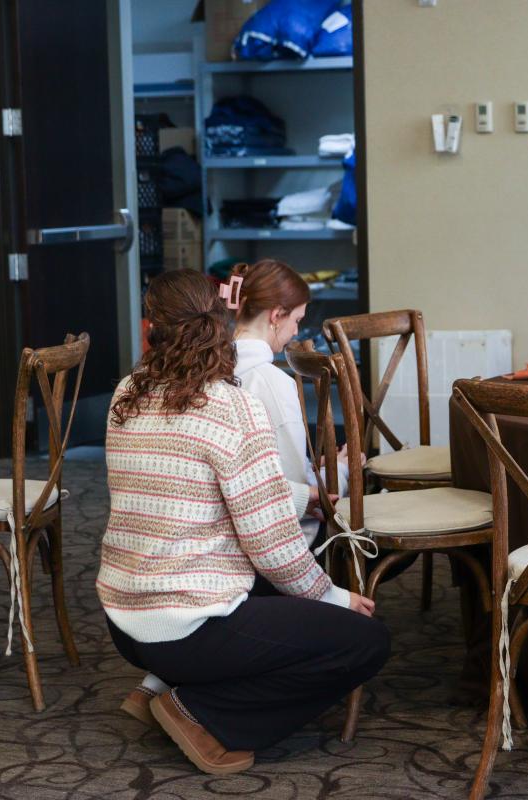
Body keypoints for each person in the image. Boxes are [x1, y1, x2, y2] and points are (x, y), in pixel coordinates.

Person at [97, 269, 388, 775]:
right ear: (220, 322)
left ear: (152, 327)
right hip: (189, 630)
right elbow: (274, 547)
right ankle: (204, 714)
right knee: (366, 641)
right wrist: (336, 598)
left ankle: (158, 689)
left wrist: (295, 505)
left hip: (123, 620)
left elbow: (179, 494)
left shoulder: (126, 394)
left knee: (273, 588)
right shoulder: (233, 406)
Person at [224, 259, 356, 548]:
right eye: (296, 320)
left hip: (227, 532)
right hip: (280, 543)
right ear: (276, 315)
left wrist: (312, 466)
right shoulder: (273, 383)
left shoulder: (215, 369)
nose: (296, 332)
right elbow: (301, 501)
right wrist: (343, 469)